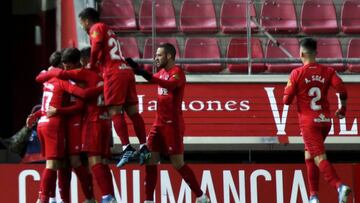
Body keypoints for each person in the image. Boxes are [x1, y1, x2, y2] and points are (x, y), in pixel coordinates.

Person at [126, 43, 210, 203]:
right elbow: (157, 80)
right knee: (150, 159)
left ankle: (201, 197)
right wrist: (141, 71)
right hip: (158, 124)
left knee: (177, 163)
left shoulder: (177, 73)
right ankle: (149, 200)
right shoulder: (161, 72)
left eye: (159, 55)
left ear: (169, 56)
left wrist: (147, 75)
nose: (155, 58)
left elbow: (170, 85)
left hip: (173, 125)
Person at [39, 47, 117, 203]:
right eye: (64, 65)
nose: (66, 68)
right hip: (69, 121)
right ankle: (64, 199)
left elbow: (81, 100)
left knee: (76, 160)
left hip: (79, 121)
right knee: (65, 162)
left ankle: (92, 197)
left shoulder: (77, 75)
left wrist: (47, 73)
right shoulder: (85, 76)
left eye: (68, 65)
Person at [78, 7, 150, 167]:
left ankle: (126, 147)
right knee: (133, 112)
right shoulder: (108, 29)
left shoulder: (96, 28)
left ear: (86, 20)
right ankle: (144, 146)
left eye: (81, 22)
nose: (81, 26)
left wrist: (92, 64)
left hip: (113, 72)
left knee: (114, 111)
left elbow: (96, 46)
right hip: (126, 70)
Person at [283, 38, 351, 203]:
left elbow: (286, 100)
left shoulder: (296, 73)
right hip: (325, 120)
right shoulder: (328, 71)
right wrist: (343, 108)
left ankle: (339, 186)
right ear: (316, 53)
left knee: (319, 156)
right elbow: (342, 89)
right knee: (309, 155)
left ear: (301, 54)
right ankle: (313, 196)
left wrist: (288, 87)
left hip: (309, 123)